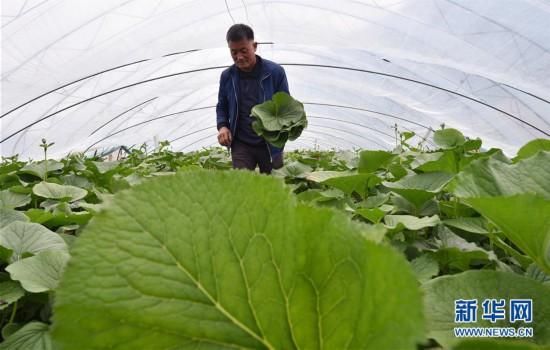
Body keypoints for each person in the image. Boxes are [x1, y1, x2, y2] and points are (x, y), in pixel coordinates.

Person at [216, 24, 289, 174]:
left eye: (244, 51)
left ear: (254, 46)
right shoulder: (227, 76)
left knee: (273, 188)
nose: (239, 57)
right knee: (242, 186)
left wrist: (276, 130)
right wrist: (222, 126)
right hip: (241, 142)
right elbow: (222, 105)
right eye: (234, 52)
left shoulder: (275, 73)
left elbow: (286, 107)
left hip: (270, 142)